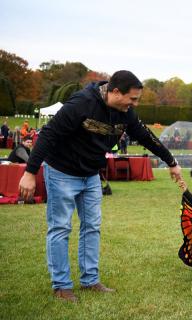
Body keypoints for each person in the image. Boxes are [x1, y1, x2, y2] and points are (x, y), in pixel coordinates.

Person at [18, 70, 182, 303]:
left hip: (91, 175)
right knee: (60, 228)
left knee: (92, 227)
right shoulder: (81, 103)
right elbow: (49, 134)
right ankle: (62, 286)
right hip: (61, 172)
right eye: (132, 99)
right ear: (115, 92)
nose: (133, 105)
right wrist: (30, 172)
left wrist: (172, 162)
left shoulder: (126, 113)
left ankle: (90, 280)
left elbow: (147, 137)